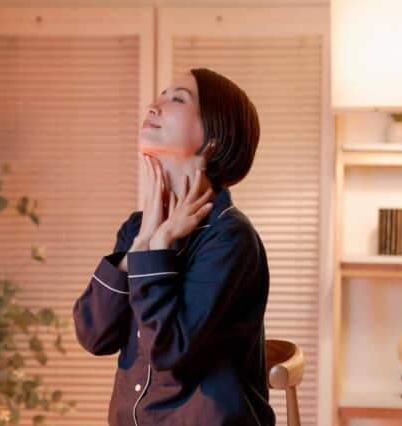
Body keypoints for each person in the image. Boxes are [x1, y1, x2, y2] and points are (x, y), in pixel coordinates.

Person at [72, 68, 275, 426]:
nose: (153, 106)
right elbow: (93, 335)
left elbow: (169, 349)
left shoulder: (230, 237)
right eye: (161, 96)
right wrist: (144, 242)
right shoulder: (137, 228)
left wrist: (159, 248)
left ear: (214, 138)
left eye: (177, 99)